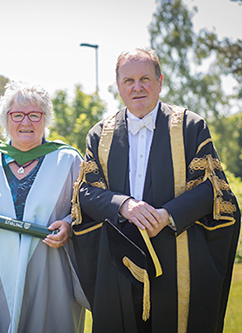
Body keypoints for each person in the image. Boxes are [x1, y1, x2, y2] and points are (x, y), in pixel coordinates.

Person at [71, 47, 241, 333]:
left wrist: (167, 215)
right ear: (118, 86)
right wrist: (123, 205)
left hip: (177, 255)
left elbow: (212, 188)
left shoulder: (190, 126)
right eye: (129, 81)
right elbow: (85, 193)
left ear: (160, 81)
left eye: (145, 79)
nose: (137, 87)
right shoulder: (100, 135)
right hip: (118, 262)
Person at [0, 81, 89, 333]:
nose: (26, 122)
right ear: (5, 119)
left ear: (45, 119)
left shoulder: (68, 160)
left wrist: (68, 224)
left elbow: (88, 210)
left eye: (35, 115)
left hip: (49, 271)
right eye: (17, 115)